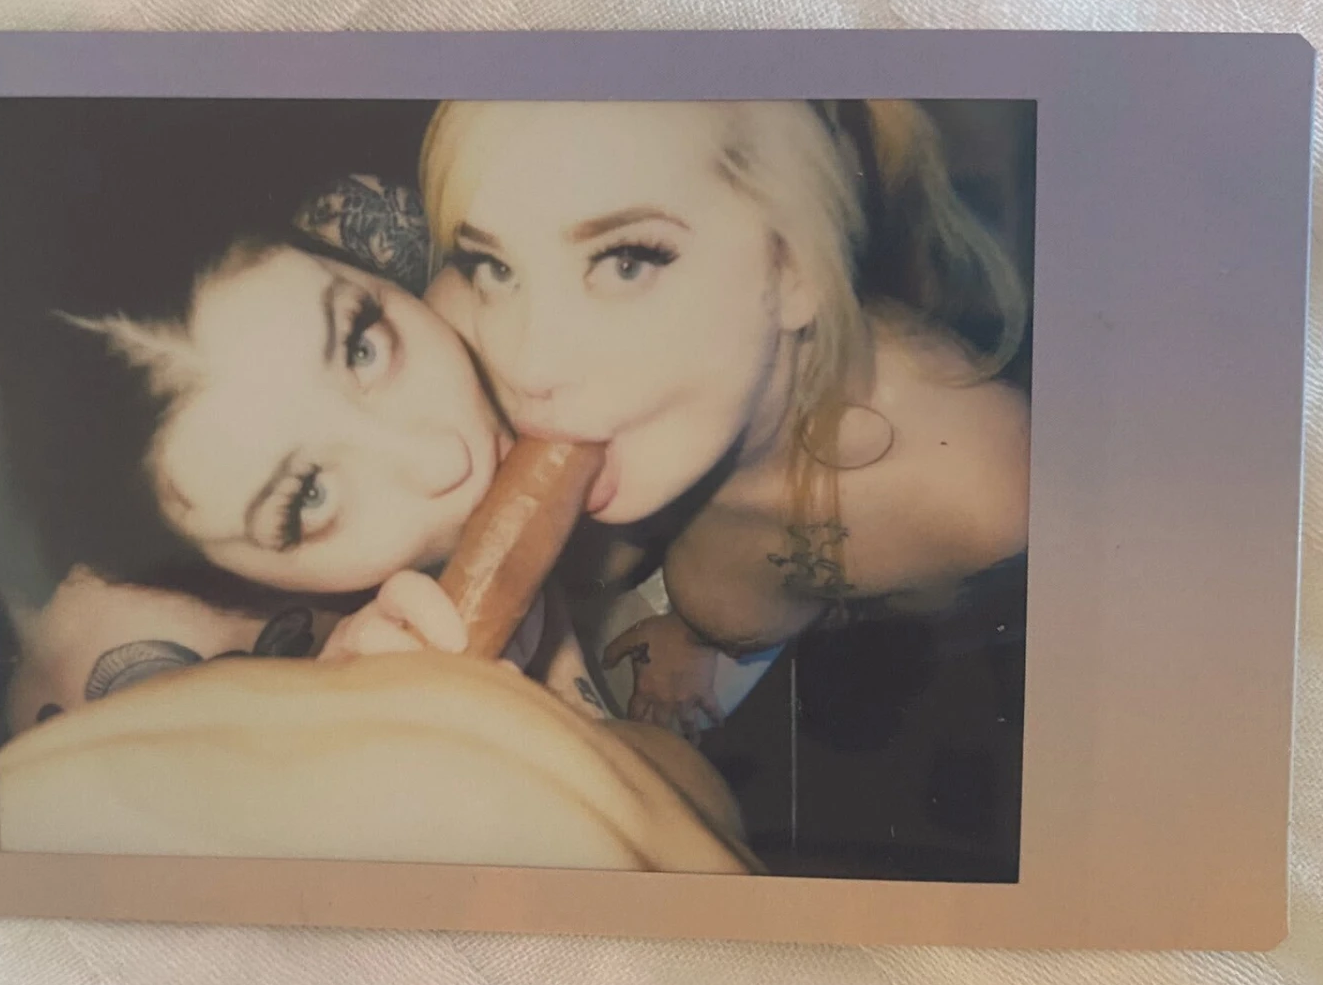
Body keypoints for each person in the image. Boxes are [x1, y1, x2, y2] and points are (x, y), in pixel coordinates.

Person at [413, 100, 1031, 738]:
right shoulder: (454, 342)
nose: (527, 367)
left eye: (625, 262)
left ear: (794, 269)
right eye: (497, 267)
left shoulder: (983, 490)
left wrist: (703, 637)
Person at [3, 200, 613, 737]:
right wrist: (327, 746)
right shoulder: (127, 702)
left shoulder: (431, 254)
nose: (447, 459)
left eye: (361, 348)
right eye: (309, 494)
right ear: (192, 566)